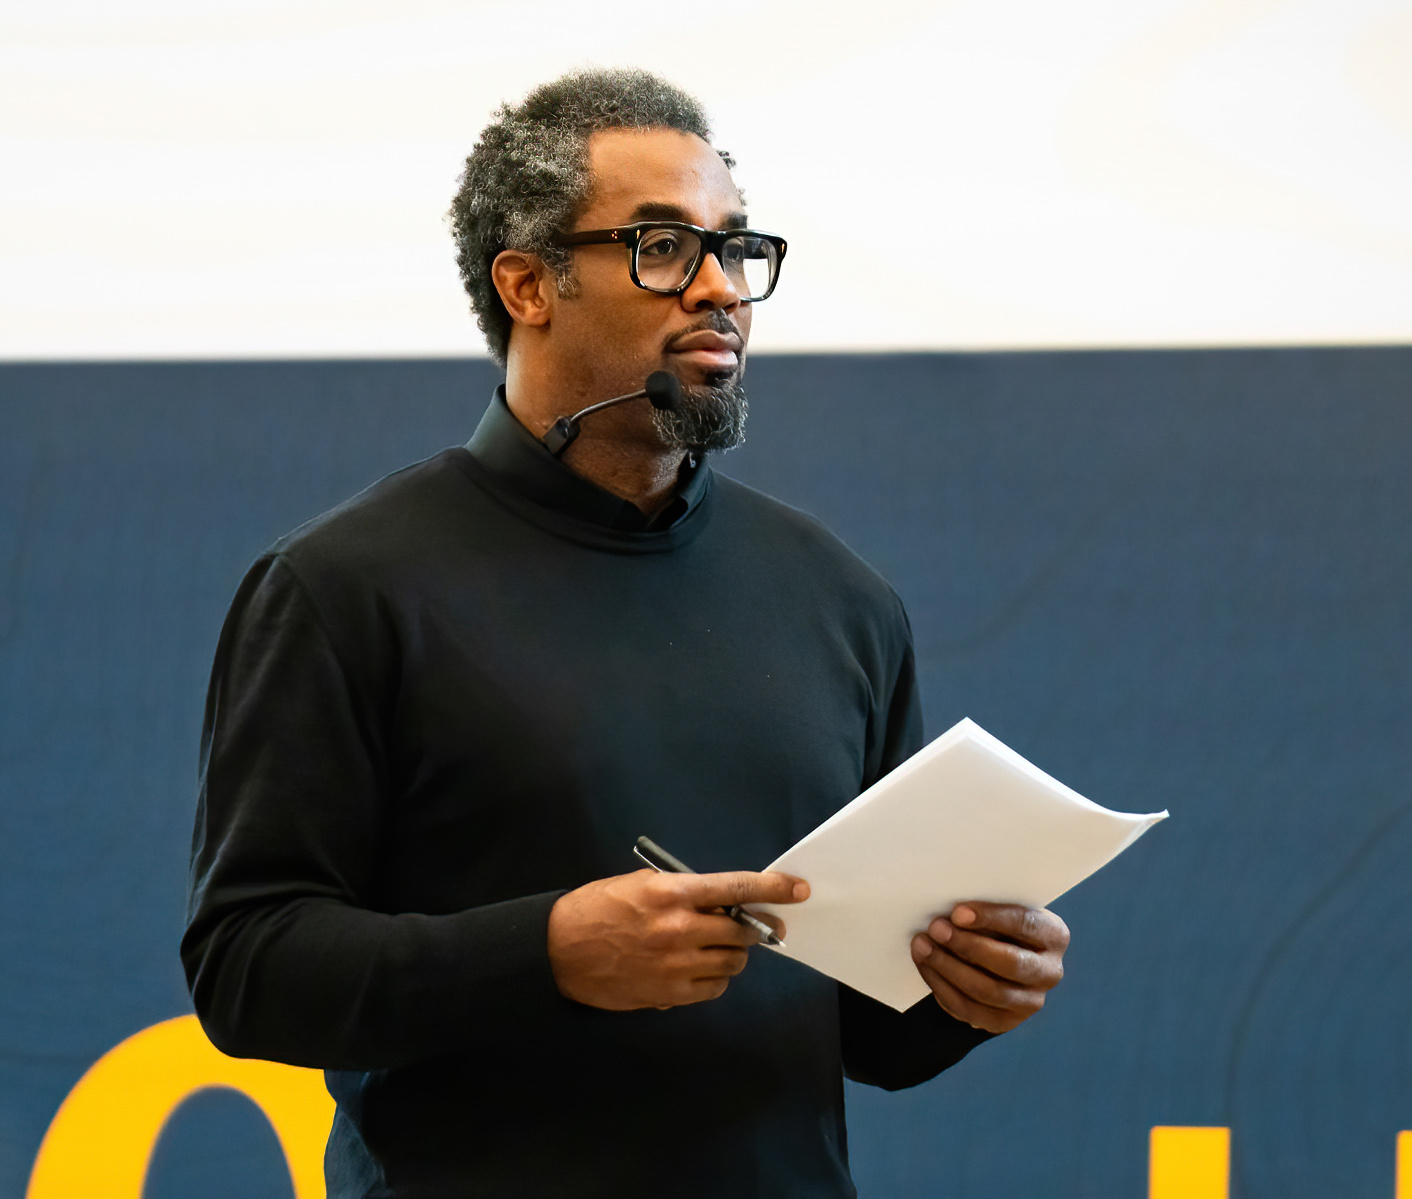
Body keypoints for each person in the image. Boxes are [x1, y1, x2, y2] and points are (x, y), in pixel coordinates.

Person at [182, 68, 1070, 1197]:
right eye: (663, 247)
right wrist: (547, 951)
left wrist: (968, 988)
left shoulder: (838, 597)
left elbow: (870, 1035)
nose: (720, 289)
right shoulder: (344, 586)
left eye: (735, 249)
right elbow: (248, 966)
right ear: (527, 284)